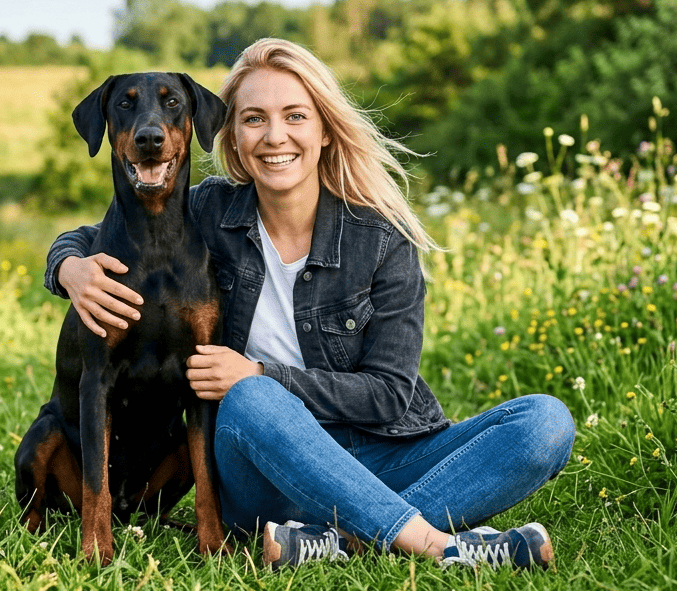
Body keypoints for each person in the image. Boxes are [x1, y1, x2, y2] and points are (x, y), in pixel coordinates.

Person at [44, 38, 575, 570]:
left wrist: (261, 370)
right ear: (232, 135)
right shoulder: (206, 210)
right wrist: (69, 269)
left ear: (324, 129)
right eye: (254, 119)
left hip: (380, 452)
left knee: (545, 422)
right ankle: (436, 545)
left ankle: (335, 539)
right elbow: (94, 236)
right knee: (251, 397)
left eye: (295, 115)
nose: (275, 136)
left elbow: (391, 396)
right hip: (263, 466)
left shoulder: (382, 240)